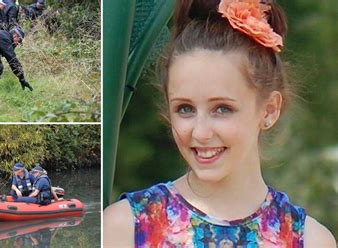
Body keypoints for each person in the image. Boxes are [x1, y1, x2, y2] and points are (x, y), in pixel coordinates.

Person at [103, 0, 336, 247]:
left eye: (222, 109)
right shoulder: (123, 228)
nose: (201, 132)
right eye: (185, 109)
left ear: (269, 110)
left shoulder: (311, 241)